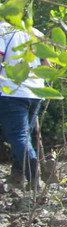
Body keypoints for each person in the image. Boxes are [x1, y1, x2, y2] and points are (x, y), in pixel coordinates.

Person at [0, 21, 47, 189]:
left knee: (18, 136)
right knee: (24, 136)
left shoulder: (2, 31)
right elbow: (47, 65)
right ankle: (17, 176)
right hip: (36, 93)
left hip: (11, 91)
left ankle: (34, 177)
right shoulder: (35, 32)